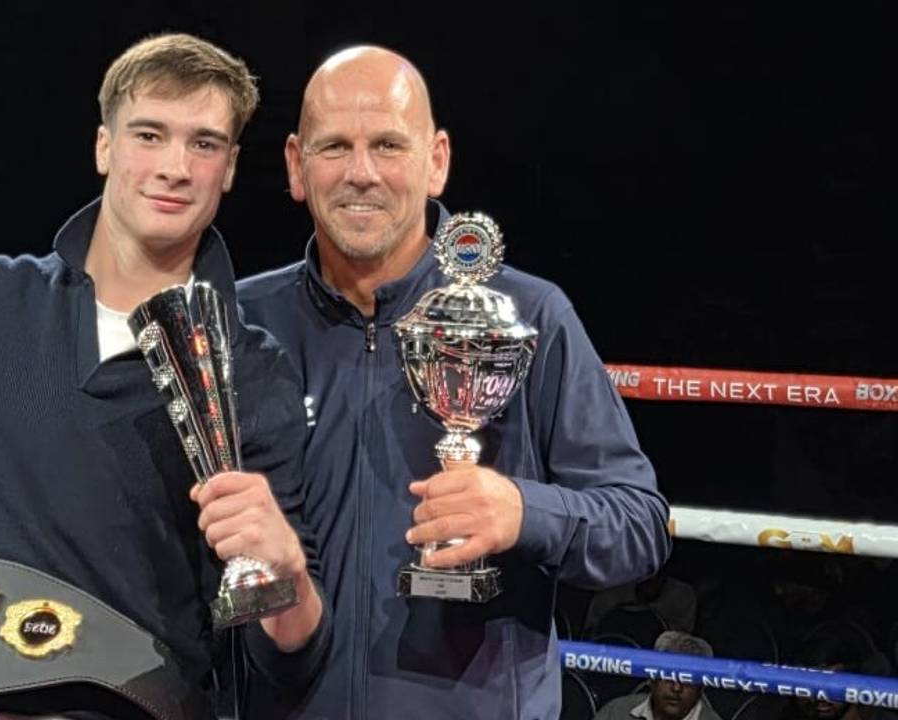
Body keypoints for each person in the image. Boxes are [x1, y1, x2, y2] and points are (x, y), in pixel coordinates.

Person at [0, 33, 327, 720]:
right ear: (104, 147)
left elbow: (289, 653)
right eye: (149, 134)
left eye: (204, 143)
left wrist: (287, 574)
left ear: (228, 168)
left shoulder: (252, 371)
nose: (174, 166)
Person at [237, 46, 670, 718]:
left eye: (388, 144)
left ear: (436, 160)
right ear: (296, 165)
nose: (361, 173)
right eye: (335, 147)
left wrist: (524, 512)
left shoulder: (529, 315)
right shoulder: (241, 323)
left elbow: (640, 524)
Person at [593, 632, 721, 720]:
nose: (676, 688)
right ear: (652, 679)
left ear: (701, 688)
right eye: (668, 675)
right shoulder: (616, 712)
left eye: (687, 679)